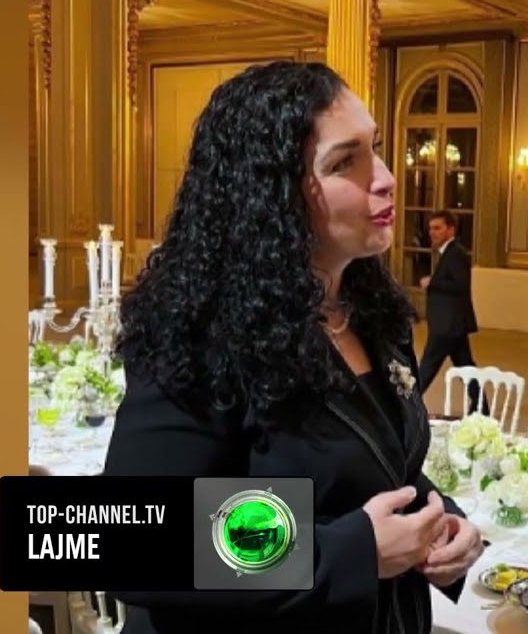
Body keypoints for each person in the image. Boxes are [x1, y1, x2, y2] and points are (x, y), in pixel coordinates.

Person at [103, 61, 484, 634]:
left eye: (376, 149)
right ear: (271, 195)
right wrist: (352, 553)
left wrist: (441, 521)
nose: (385, 178)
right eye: (344, 162)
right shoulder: (201, 334)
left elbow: (377, 469)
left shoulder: (373, 315)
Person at [417, 210, 484, 414]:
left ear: (451, 230)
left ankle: (407, 407)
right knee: (466, 366)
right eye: (431, 228)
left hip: (447, 324)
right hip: (452, 324)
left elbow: (460, 285)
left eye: (438, 228)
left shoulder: (456, 254)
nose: (432, 232)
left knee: (427, 366)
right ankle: (482, 408)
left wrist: (432, 282)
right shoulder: (449, 252)